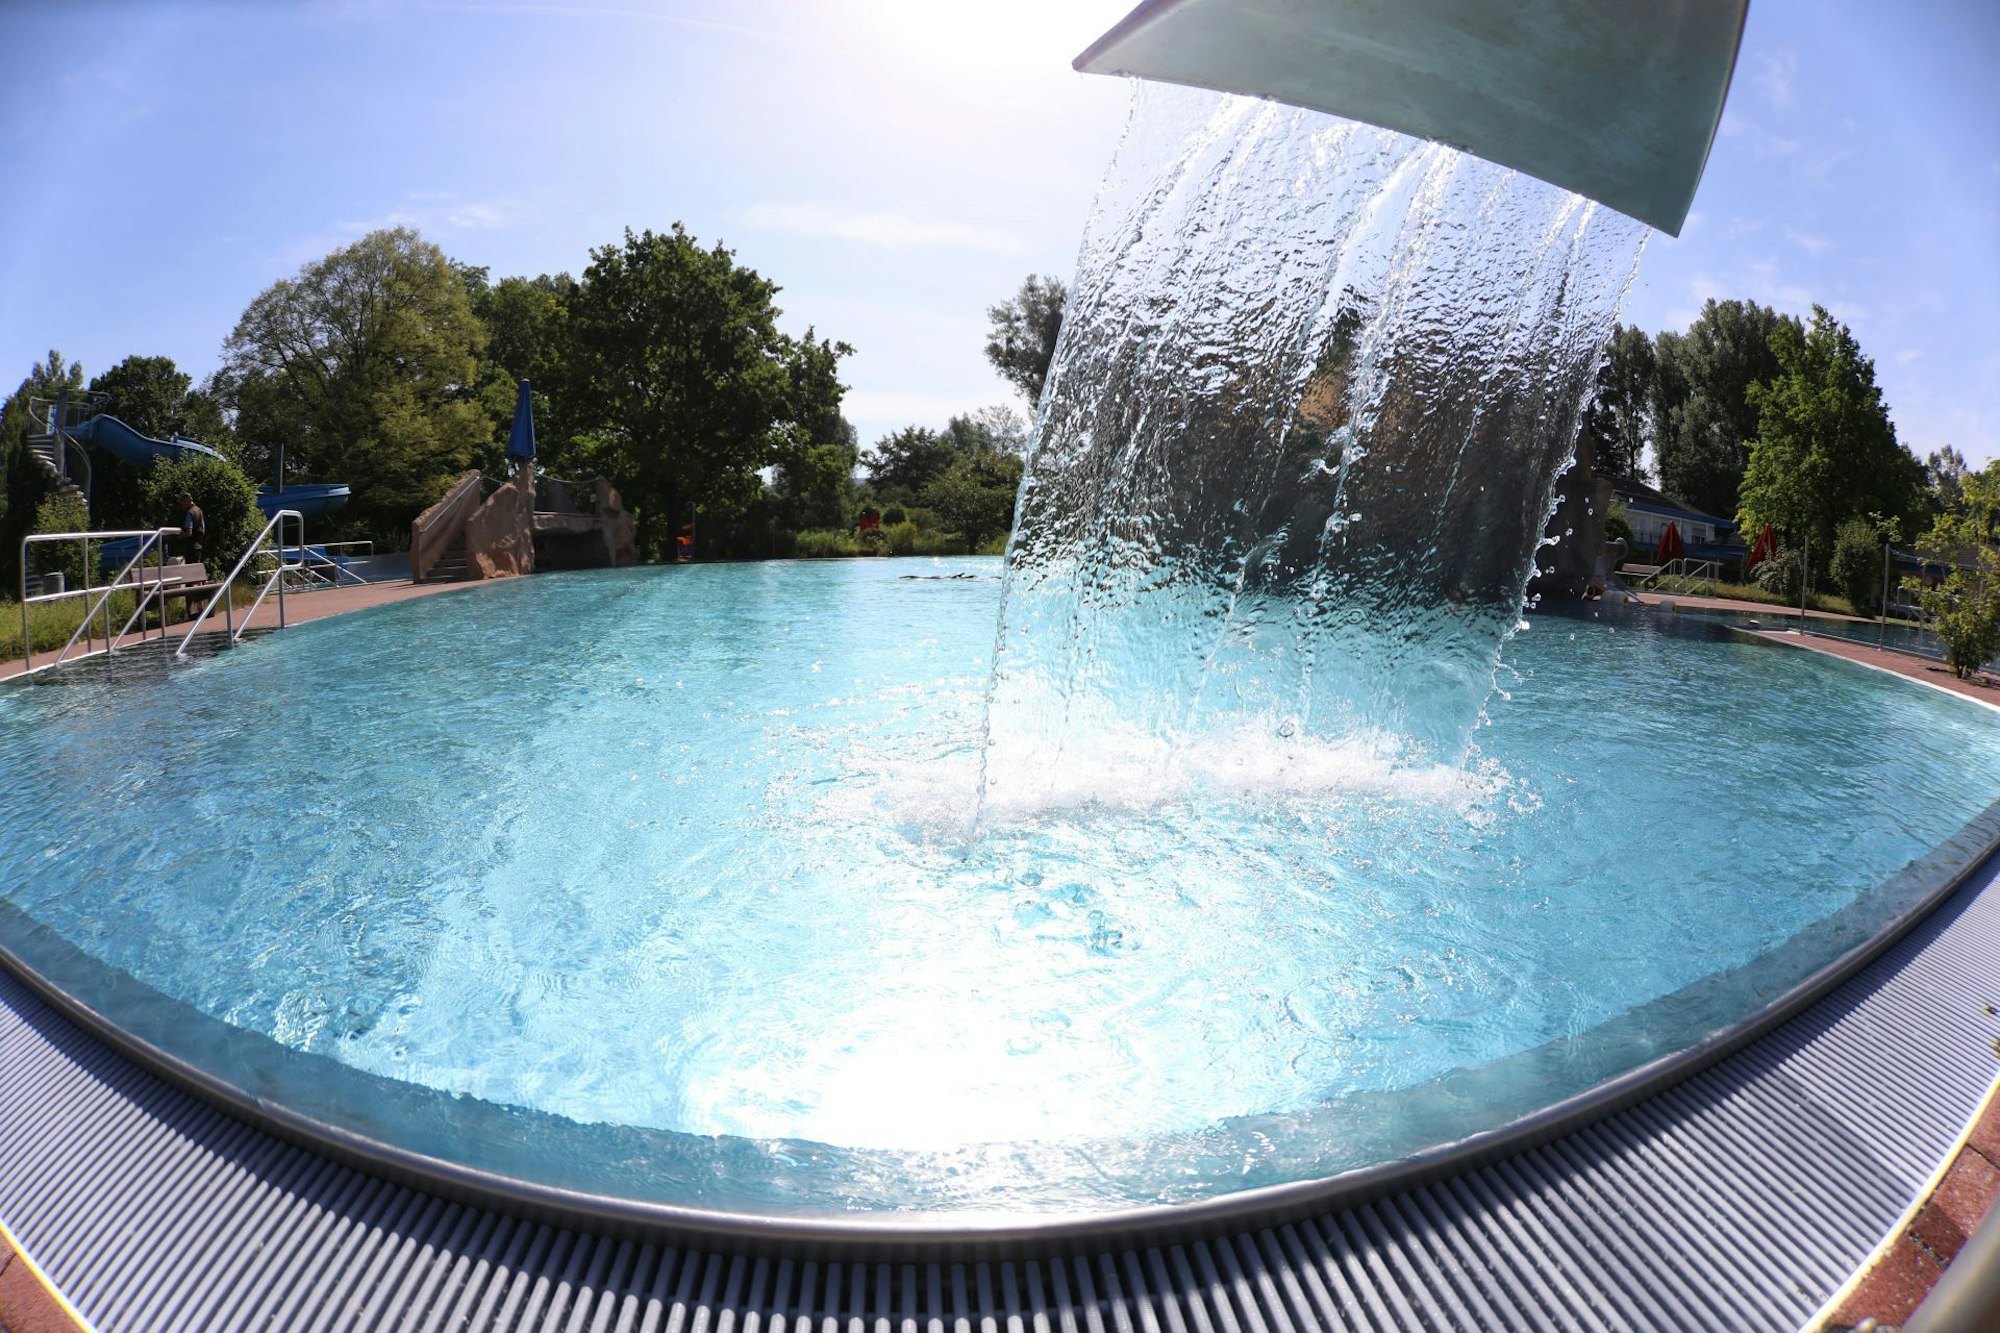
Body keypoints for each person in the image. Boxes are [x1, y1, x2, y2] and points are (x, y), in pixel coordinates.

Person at [179, 493, 205, 561]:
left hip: (190, 547)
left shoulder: (190, 513)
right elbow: (203, 529)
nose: (182, 505)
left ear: (187, 501)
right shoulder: (199, 510)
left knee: (189, 568)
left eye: (182, 503)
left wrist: (180, 536)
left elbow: (189, 533)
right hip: (198, 545)